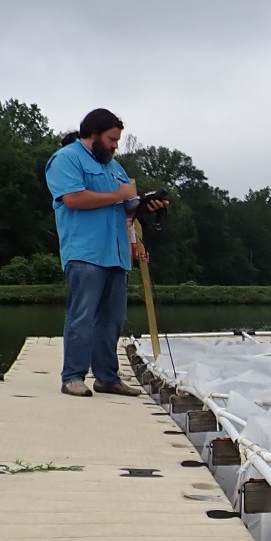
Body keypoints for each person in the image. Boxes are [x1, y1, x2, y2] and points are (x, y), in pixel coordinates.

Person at [44, 108, 164, 397]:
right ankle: (72, 377)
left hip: (117, 253)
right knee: (82, 315)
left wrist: (147, 205)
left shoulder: (115, 167)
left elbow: (127, 206)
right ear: (93, 134)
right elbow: (72, 198)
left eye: (117, 140)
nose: (115, 145)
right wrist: (117, 197)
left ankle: (107, 378)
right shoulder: (65, 159)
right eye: (111, 139)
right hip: (85, 252)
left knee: (113, 319)